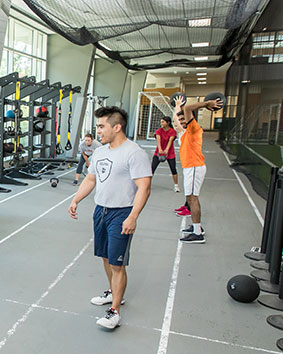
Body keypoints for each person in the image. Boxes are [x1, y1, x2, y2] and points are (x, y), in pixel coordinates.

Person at [68, 106, 152, 329]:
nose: (98, 132)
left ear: (117, 127)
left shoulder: (134, 153)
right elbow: (91, 179)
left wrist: (133, 216)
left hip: (121, 212)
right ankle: (114, 292)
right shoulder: (100, 152)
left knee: (117, 264)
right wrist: (76, 199)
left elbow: (144, 187)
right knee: (105, 257)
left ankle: (114, 311)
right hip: (101, 211)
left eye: (101, 126)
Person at [171, 96, 221, 243]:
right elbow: (177, 117)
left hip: (194, 167)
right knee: (189, 198)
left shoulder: (193, 129)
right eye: (179, 121)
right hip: (189, 168)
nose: (180, 123)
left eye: (183, 120)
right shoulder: (184, 132)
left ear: (189, 120)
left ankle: (198, 233)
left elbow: (188, 109)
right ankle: (195, 227)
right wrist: (177, 106)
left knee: (193, 198)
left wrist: (206, 104)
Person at [151, 117, 180, 192]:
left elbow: (170, 141)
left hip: (170, 153)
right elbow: (158, 141)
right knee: (152, 168)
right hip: (158, 152)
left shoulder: (172, 131)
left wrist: (166, 150)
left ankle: (176, 186)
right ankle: (147, 184)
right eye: (161, 122)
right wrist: (160, 150)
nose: (161, 123)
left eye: (163, 122)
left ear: (168, 123)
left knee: (173, 169)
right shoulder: (158, 131)